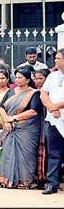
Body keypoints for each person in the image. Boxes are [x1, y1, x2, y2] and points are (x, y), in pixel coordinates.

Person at [0, 66, 43, 189]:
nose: (17, 80)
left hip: (27, 130)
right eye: (16, 77)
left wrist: (14, 118)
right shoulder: (11, 91)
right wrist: (6, 120)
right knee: (8, 154)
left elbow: (33, 111)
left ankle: (26, 181)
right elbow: (1, 107)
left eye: (20, 77)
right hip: (10, 127)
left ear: (27, 80)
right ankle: (8, 181)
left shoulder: (34, 93)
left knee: (26, 155)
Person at [40, 48, 64, 194]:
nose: (55, 60)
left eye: (58, 58)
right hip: (54, 119)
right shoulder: (52, 76)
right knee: (54, 152)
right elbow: (43, 93)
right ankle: (52, 184)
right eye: (55, 58)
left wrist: (57, 106)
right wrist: (51, 107)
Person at [34, 68, 50, 187]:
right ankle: (39, 178)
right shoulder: (33, 92)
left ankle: (48, 179)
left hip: (48, 123)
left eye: (40, 78)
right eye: (36, 78)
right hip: (35, 126)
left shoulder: (51, 93)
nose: (38, 81)